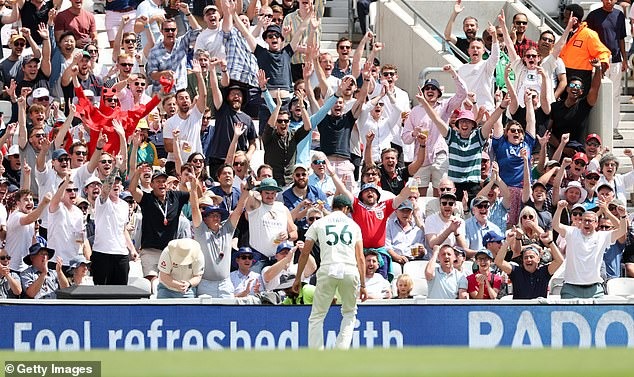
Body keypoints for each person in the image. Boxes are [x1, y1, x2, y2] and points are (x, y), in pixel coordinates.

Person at [293, 194, 365, 349]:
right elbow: (360, 257)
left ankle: (317, 356)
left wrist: (298, 278)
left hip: (327, 268)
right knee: (349, 314)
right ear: (346, 208)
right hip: (349, 269)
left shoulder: (319, 223)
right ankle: (340, 351)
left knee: (317, 316)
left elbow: (305, 253)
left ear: (333, 207)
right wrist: (363, 285)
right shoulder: (354, 225)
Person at [402, 66, 467, 197]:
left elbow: (463, 94)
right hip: (420, 158)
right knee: (418, 195)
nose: (430, 90)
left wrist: (453, 74)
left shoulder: (445, 106)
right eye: (427, 88)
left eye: (433, 88)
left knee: (441, 193)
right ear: (423, 92)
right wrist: (414, 133)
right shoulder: (415, 111)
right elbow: (405, 138)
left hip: (440, 155)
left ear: (438, 93)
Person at [553, 199, 627, 299]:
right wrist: (559, 209)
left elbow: (622, 230)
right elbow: (555, 225)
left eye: (590, 221)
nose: (587, 223)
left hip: (595, 289)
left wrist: (622, 216)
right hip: (571, 288)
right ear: (581, 222)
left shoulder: (602, 236)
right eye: (585, 220)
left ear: (596, 224)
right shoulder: (572, 232)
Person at [129, 169, 190, 287]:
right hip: (150, 250)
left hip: (170, 251)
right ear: (151, 185)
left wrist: (192, 181)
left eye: (164, 181)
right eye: (158, 181)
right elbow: (132, 190)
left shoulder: (176, 197)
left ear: (167, 184)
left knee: (168, 285)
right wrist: (137, 173)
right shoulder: (146, 198)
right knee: (152, 283)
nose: (161, 184)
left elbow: (195, 196)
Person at [190, 175, 248, 297]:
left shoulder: (227, 230)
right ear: (205, 219)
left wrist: (246, 192)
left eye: (218, 214)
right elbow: (195, 208)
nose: (216, 217)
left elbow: (238, 210)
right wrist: (194, 189)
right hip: (205, 284)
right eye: (212, 215)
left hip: (225, 284)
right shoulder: (201, 231)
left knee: (228, 314)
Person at [586, 0, 628, 140]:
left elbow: (621, 38)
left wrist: (625, 59)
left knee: (615, 95)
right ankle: (597, 126)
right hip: (598, 62)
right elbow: (588, 38)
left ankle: (614, 128)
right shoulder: (593, 15)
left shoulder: (619, 15)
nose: (609, 1)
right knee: (597, 93)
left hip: (616, 60)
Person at [92, 171, 136, 285]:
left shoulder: (124, 205)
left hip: (121, 254)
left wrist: (132, 249)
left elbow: (123, 230)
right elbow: (105, 190)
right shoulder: (101, 202)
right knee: (101, 293)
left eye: (118, 182)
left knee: (121, 293)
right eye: (113, 183)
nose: (115, 185)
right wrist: (116, 167)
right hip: (102, 253)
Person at [245, 177, 298, 273]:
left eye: (273, 193)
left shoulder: (283, 208)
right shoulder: (256, 206)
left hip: (279, 259)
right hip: (258, 259)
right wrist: (253, 185)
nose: (270, 196)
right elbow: (247, 194)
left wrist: (288, 235)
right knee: (256, 287)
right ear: (261, 193)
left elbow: (294, 233)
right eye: (267, 193)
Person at [146, 9, 202, 95]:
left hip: (181, 92)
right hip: (163, 94)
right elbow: (151, 74)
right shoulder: (154, 51)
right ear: (162, 31)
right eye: (167, 30)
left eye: (172, 29)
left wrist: (187, 12)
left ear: (176, 31)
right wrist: (164, 73)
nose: (170, 32)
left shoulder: (182, 43)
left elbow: (197, 30)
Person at [559, 4, 611, 93]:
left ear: (574, 19)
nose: (564, 21)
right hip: (564, 75)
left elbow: (603, 52)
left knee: (577, 105)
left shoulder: (589, 34)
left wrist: (602, 66)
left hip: (581, 76)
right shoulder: (567, 33)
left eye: (566, 18)